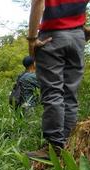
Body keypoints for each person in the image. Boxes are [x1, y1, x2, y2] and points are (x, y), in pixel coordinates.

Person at [27, 0, 89, 159]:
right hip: (77, 37)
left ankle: (54, 147)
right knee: (70, 94)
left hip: (52, 37)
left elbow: (38, 2)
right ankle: (68, 144)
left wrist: (32, 39)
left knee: (53, 92)